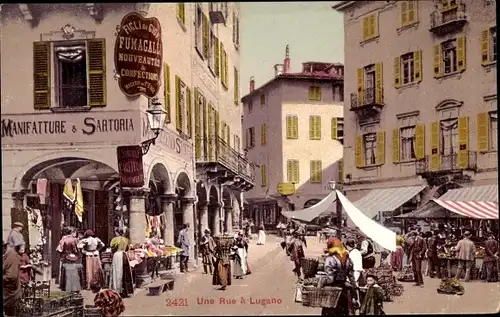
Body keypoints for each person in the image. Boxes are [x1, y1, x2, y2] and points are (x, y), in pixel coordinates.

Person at [319, 238, 358, 316]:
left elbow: (330, 279)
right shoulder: (347, 258)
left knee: (330, 312)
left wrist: (320, 281)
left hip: (332, 292)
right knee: (343, 311)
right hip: (344, 291)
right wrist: (354, 295)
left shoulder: (330, 259)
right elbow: (352, 278)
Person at [109, 228, 134, 298]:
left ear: (117, 232)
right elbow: (127, 248)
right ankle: (125, 290)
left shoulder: (115, 239)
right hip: (124, 255)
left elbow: (112, 246)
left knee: (117, 272)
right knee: (125, 272)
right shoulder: (126, 240)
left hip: (117, 255)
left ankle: (117, 290)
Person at [3, 240, 24, 316]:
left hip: (10, 295)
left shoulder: (11, 258)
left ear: (4, 247)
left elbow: (11, 276)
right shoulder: (6, 257)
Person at [56, 226, 80, 290]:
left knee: (65, 270)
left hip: (65, 256)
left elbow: (59, 249)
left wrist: (62, 254)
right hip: (73, 256)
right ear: (72, 232)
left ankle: (64, 285)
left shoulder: (63, 239)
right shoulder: (74, 240)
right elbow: (77, 249)